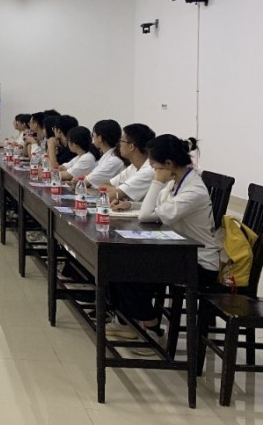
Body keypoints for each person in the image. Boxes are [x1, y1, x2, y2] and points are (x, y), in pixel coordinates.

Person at [110, 135, 219, 340]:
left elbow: (147, 216)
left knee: (127, 267)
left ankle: (151, 328)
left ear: (169, 164)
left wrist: (157, 181)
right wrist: (131, 205)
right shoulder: (176, 181)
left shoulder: (193, 190)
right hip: (178, 252)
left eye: (154, 165)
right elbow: (156, 209)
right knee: (117, 261)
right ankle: (127, 320)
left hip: (198, 263)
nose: (153, 169)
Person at [104, 123, 157, 209]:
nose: (119, 144)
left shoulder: (148, 171)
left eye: (122, 141)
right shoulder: (133, 166)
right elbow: (103, 186)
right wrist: (119, 192)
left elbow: (109, 197)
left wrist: (119, 193)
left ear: (131, 146)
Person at [85, 119, 125, 188]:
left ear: (100, 138)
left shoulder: (114, 160)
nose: (93, 139)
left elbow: (85, 181)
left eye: (93, 135)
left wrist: (81, 180)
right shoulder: (108, 156)